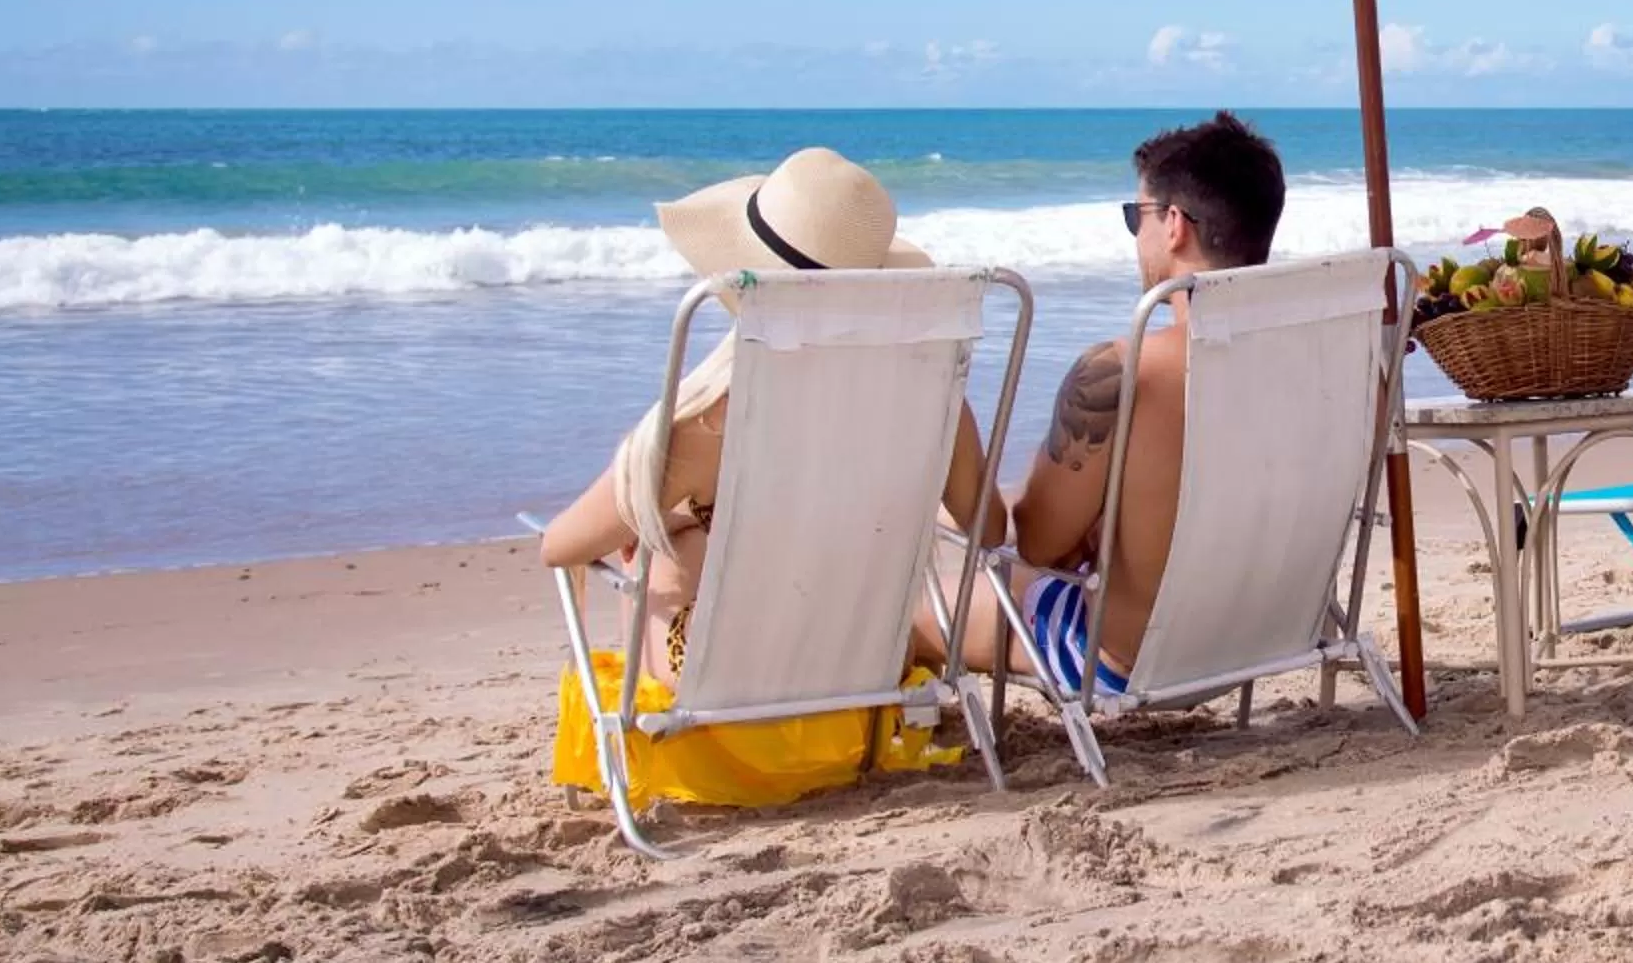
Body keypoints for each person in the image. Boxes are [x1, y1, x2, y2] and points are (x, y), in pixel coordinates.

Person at [535, 146, 1000, 679]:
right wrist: (905, 507)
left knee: (661, 544)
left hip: (732, 687)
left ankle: (651, 740)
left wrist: (675, 523)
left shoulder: (715, 420)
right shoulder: (932, 399)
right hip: (864, 671)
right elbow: (986, 530)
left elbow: (562, 544)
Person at [933, 111, 1286, 698]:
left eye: (1136, 216)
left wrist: (1094, 523)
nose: (1136, 234)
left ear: (1174, 225)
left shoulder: (1124, 371)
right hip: (1267, 639)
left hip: (1131, 663)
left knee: (924, 604)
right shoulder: (1332, 358)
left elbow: (1040, 545)